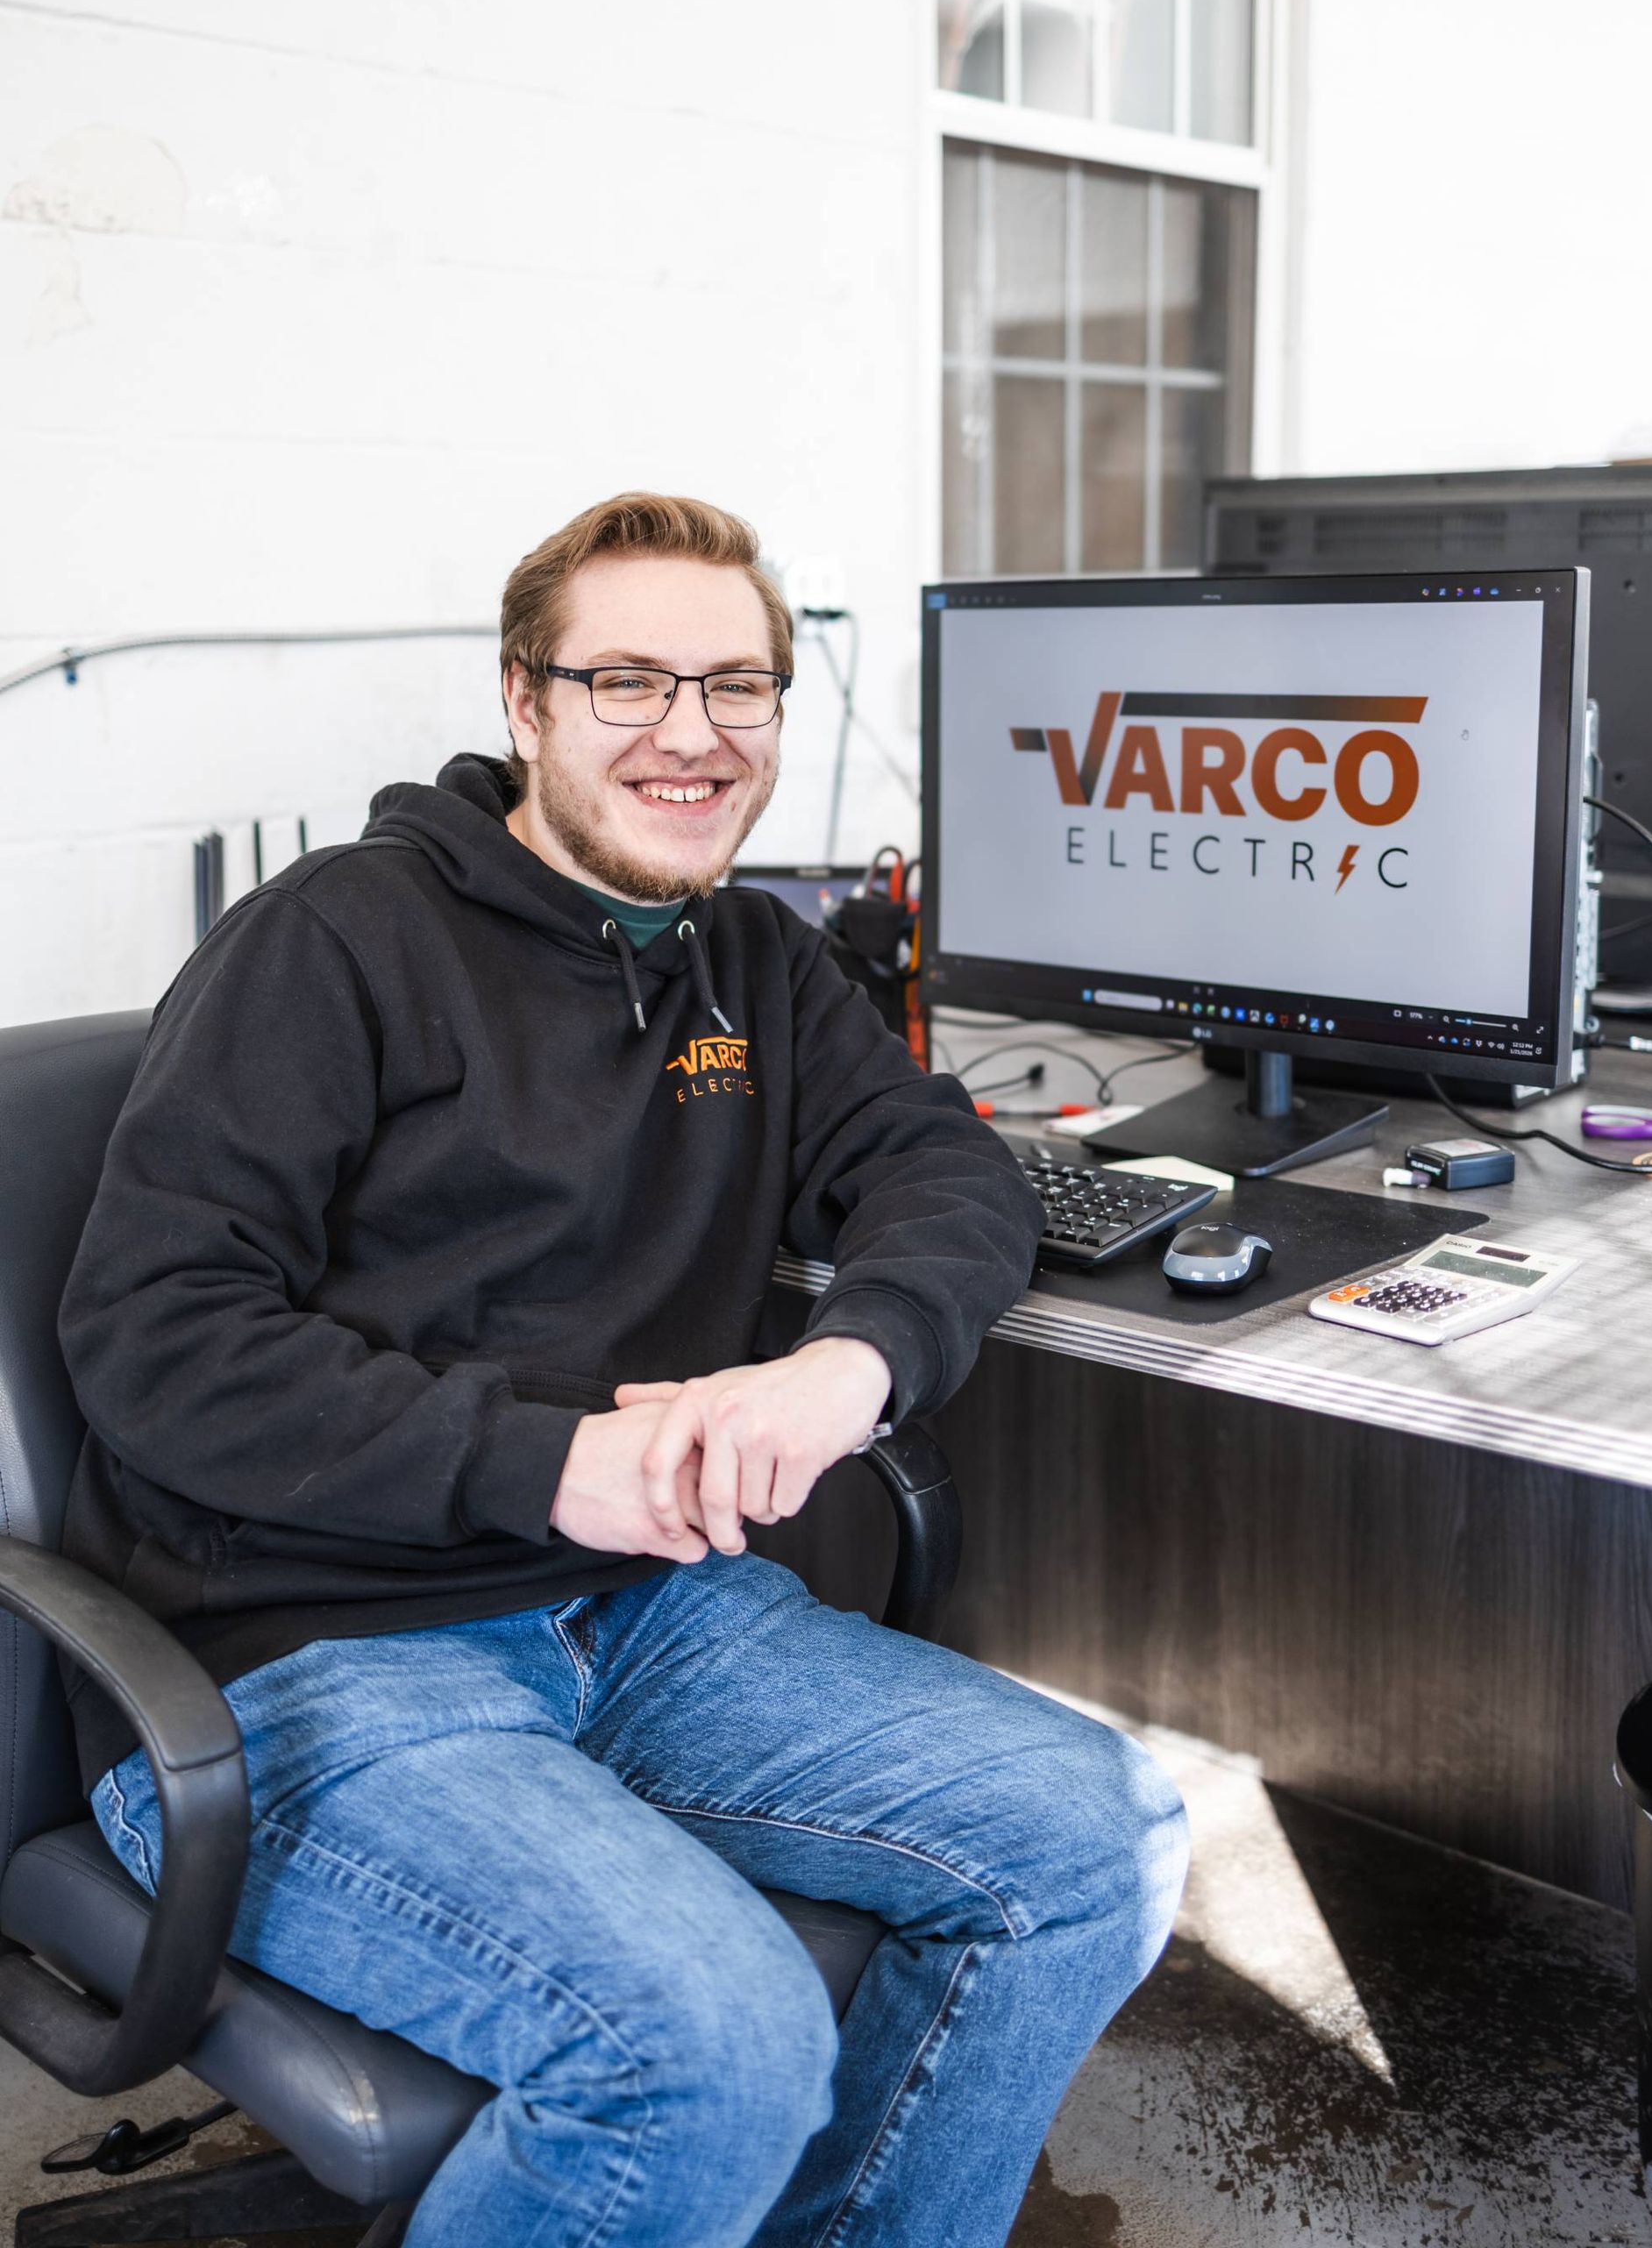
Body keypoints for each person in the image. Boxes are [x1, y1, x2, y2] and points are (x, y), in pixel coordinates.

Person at [61, 493, 1189, 2248]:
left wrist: (850, 1368)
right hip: (314, 1659)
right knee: (710, 2047)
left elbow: (945, 1168)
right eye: (631, 682)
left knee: (1101, 1841)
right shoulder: (336, 940)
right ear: (528, 703)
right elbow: (157, 1336)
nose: (693, 734)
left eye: (738, 686)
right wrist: (544, 1461)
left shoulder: (756, 963)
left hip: (653, 1615)